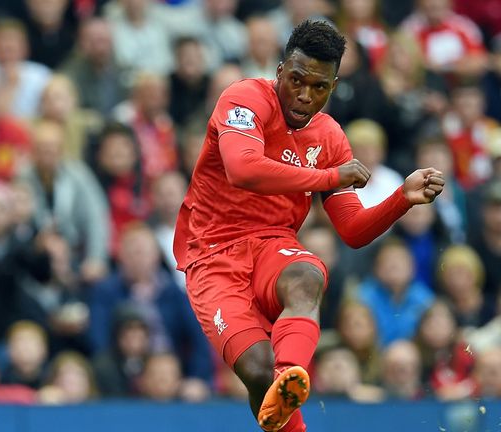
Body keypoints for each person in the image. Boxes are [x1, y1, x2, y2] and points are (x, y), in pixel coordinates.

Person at [174, 20, 445, 432]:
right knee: (257, 371)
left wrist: (401, 199)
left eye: (319, 87)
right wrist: (330, 177)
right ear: (280, 70)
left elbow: (352, 231)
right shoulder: (244, 98)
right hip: (213, 256)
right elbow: (243, 169)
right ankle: (279, 381)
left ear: (333, 87)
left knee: (306, 274)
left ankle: (292, 374)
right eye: (296, 80)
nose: (304, 95)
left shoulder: (330, 137)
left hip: (272, 246)